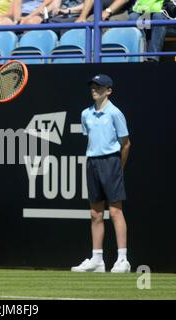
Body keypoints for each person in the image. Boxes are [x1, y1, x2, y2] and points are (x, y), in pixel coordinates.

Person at [71, 74, 131, 273]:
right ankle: (97, 260)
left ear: (109, 90)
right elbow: (91, 140)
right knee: (95, 213)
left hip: (111, 162)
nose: (94, 89)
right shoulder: (85, 114)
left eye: (99, 86)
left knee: (115, 211)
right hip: (92, 162)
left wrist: (118, 167)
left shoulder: (115, 113)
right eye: (93, 86)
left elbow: (126, 144)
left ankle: (123, 259)